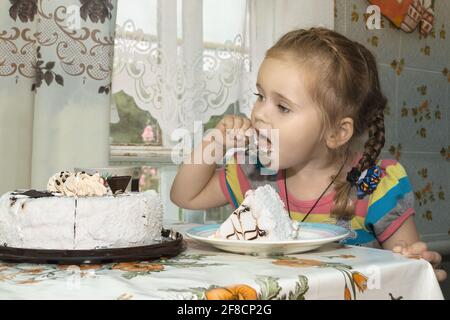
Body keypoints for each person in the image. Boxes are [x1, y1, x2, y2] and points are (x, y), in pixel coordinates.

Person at [170, 27, 446, 282]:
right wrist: (214, 142)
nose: (259, 113)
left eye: (283, 107)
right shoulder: (254, 172)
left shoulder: (374, 184)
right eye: (260, 96)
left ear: (337, 133)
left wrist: (418, 263)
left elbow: (408, 263)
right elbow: (185, 196)